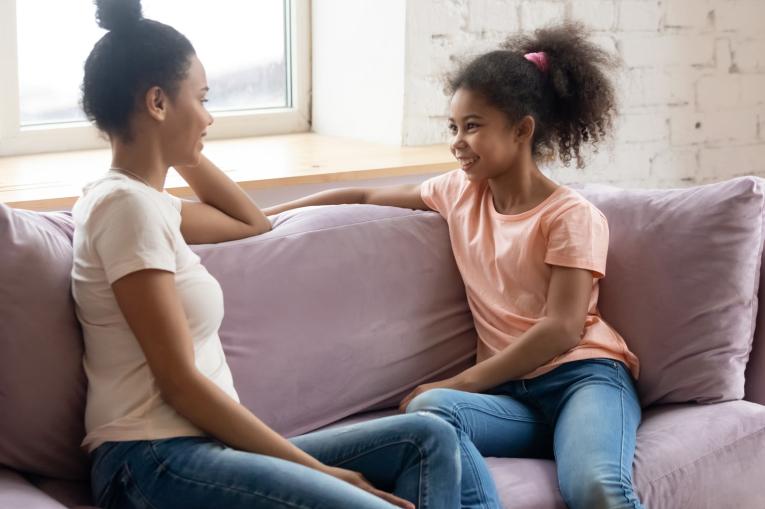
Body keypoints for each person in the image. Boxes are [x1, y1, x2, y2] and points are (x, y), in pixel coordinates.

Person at [71, 1, 461, 508]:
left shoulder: (148, 204)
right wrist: (323, 474)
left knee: (427, 439)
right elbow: (180, 385)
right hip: (152, 459)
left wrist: (179, 148)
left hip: (200, 450)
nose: (210, 117)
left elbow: (251, 223)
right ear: (157, 102)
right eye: (202, 99)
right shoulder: (124, 208)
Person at [264, 22, 645, 509]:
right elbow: (360, 194)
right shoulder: (457, 192)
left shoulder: (571, 216)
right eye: (454, 127)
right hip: (511, 398)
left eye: (473, 126)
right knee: (431, 410)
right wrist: (266, 218)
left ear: (522, 129)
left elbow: (561, 329)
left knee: (596, 488)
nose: (457, 142)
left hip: (583, 380)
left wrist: (459, 381)